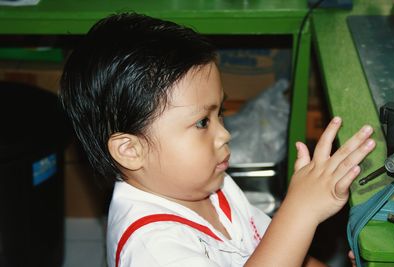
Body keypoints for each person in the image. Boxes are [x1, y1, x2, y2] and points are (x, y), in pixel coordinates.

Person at [59, 13, 373, 267]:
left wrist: (298, 222)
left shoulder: (209, 185)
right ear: (131, 150)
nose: (225, 133)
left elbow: (283, 252)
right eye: (202, 122)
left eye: (219, 113)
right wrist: (300, 212)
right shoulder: (152, 250)